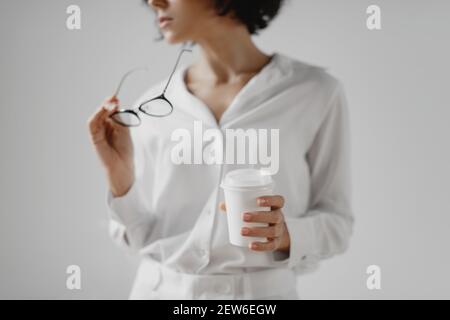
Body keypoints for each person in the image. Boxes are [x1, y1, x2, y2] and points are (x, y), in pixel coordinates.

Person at [87, 0, 354, 300]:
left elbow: (337, 223)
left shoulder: (314, 92)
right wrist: (119, 177)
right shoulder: (150, 108)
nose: (154, 2)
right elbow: (136, 238)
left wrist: (286, 234)